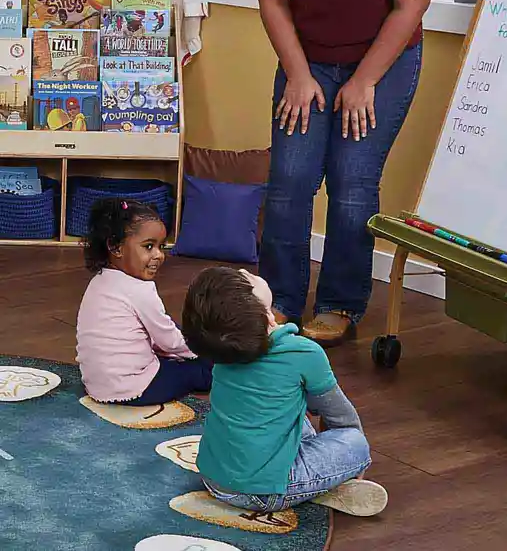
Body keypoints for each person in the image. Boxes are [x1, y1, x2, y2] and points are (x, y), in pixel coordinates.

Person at [251, 0, 439, 345]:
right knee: (289, 182)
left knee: (353, 185)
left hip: (385, 61)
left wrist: (364, 82)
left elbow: (411, 5)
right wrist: (297, 73)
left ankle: (340, 302)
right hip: (306, 60)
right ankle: (279, 300)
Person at [181, 266, 387, 517]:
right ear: (268, 318)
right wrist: (350, 460)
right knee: (355, 442)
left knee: (288, 415)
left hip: (213, 477)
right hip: (261, 493)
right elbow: (341, 418)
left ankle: (311, 486)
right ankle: (317, 488)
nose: (246, 270)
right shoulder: (303, 352)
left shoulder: (223, 349)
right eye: (247, 279)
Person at [76, 198, 212, 405]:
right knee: (200, 369)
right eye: (148, 246)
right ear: (115, 246)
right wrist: (203, 350)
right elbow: (169, 341)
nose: (159, 255)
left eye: (161, 246)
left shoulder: (99, 281)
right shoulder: (140, 289)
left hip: (97, 384)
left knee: (170, 332)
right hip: (137, 388)